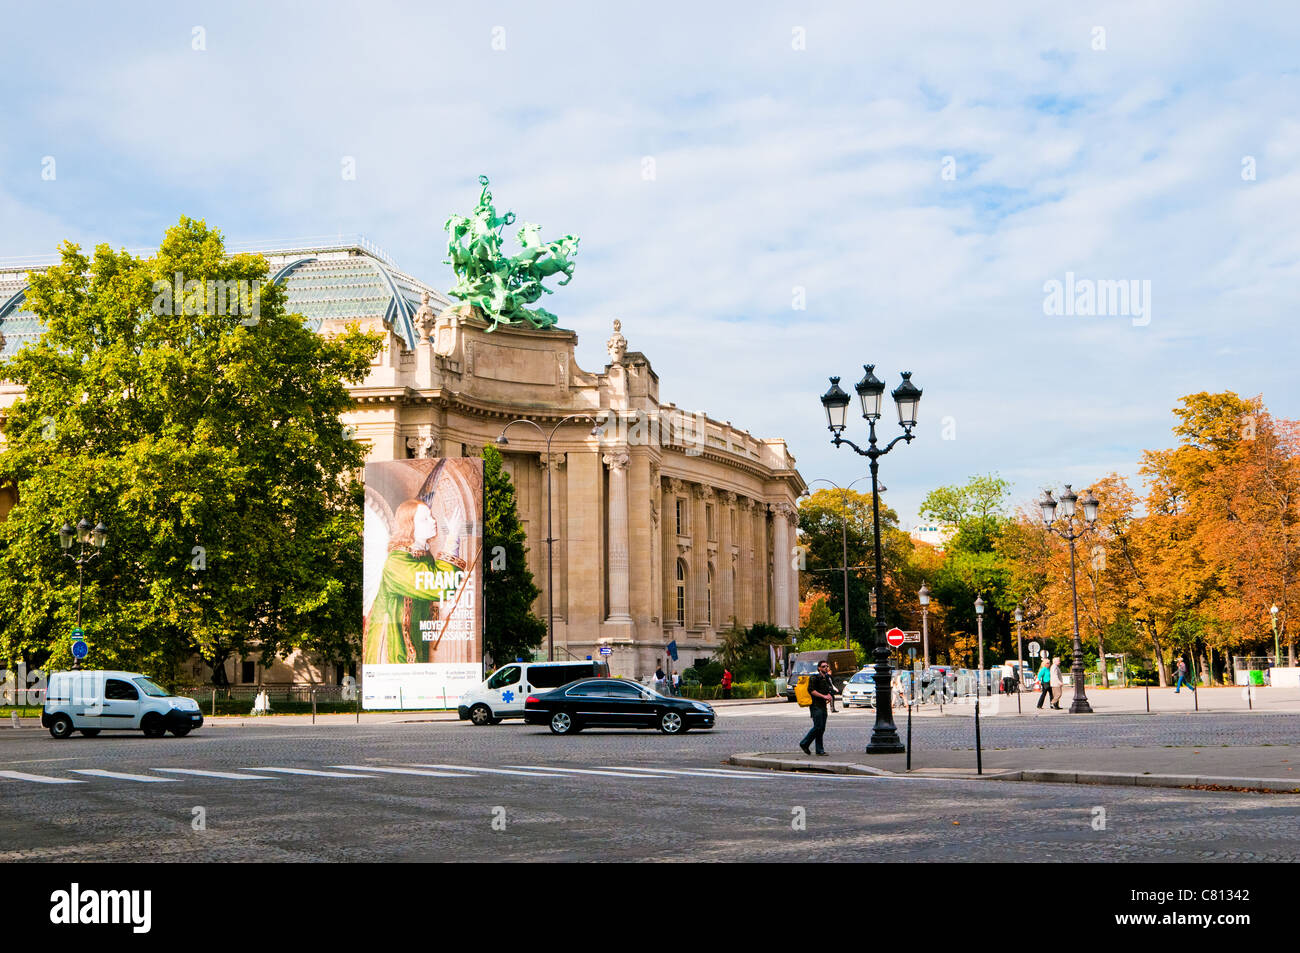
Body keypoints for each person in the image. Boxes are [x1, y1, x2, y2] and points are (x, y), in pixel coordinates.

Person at [363, 500, 459, 665]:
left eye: (431, 516)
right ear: (409, 525)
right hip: (393, 645)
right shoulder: (397, 561)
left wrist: (440, 612)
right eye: (425, 519)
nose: (433, 521)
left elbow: (421, 606)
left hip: (413, 640)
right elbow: (442, 585)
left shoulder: (423, 556)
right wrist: (452, 541)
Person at [799, 660, 834, 756]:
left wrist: (829, 696)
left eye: (827, 666)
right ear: (819, 668)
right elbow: (811, 690)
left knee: (821, 728)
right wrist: (824, 696)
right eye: (823, 666)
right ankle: (804, 743)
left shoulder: (827, 678)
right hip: (815, 706)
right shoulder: (814, 677)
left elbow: (829, 689)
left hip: (823, 706)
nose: (825, 668)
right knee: (818, 726)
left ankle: (819, 750)